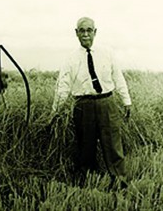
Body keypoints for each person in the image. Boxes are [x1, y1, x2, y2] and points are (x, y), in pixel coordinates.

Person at [51, 17, 132, 189]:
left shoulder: (107, 53)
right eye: (82, 30)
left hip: (106, 103)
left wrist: (127, 101)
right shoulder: (70, 59)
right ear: (76, 33)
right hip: (82, 105)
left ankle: (120, 183)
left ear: (95, 32)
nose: (86, 34)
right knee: (85, 148)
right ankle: (88, 183)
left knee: (113, 146)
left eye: (89, 30)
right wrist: (55, 111)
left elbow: (118, 77)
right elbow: (63, 86)